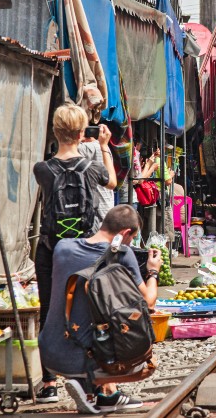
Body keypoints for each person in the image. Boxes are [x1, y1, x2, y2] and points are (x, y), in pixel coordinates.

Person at [38, 205, 161, 413]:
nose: (131, 242)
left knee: (97, 313)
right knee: (149, 364)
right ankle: (90, 380)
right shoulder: (122, 254)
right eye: (132, 237)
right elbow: (149, 301)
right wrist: (152, 272)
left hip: (49, 354)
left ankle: (108, 394)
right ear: (124, 233)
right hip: (80, 360)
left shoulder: (62, 247)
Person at [32, 104, 117, 402]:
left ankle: (48, 384)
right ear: (82, 133)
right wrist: (104, 147)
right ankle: (91, 383)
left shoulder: (42, 169)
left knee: (49, 310)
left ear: (55, 132)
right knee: (87, 312)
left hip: (51, 250)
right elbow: (112, 182)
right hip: (84, 250)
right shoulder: (91, 167)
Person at [78, 137, 116, 222]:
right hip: (105, 206)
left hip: (98, 209)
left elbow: (69, 149)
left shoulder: (91, 147)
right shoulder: (103, 146)